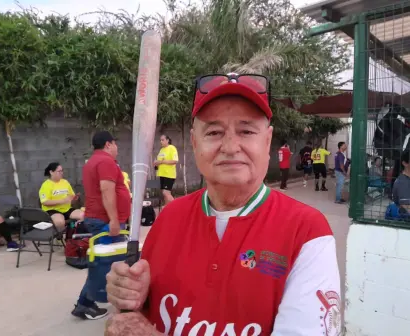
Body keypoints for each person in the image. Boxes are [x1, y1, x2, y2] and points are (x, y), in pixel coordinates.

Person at [104, 73, 340, 336]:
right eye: (214, 132)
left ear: (267, 140)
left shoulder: (307, 231)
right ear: (195, 143)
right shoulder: (171, 216)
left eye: (246, 131)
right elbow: (137, 311)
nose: (230, 146)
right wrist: (135, 295)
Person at [71, 131, 131, 320]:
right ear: (108, 144)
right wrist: (114, 220)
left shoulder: (92, 162)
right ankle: (85, 304)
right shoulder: (105, 162)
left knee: (105, 263)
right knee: (103, 265)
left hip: (99, 218)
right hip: (105, 221)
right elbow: (106, 190)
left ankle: (89, 302)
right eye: (115, 144)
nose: (116, 148)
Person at [39, 162, 84, 230]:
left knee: (84, 215)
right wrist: (62, 201)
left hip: (66, 209)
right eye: (59, 171)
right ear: (51, 172)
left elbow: (71, 197)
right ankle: (59, 238)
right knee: (59, 222)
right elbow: (44, 202)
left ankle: (73, 235)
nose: (62, 173)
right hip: (52, 210)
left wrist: (74, 199)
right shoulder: (46, 185)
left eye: (62, 171)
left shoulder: (65, 182)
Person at [154, 135, 179, 205]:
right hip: (162, 174)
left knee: (166, 192)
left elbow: (175, 161)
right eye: (160, 140)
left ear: (167, 140)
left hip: (169, 175)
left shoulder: (172, 148)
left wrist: (161, 162)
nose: (161, 142)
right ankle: (168, 210)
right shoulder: (161, 150)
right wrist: (156, 164)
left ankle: (177, 207)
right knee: (165, 195)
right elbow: (159, 161)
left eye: (162, 140)